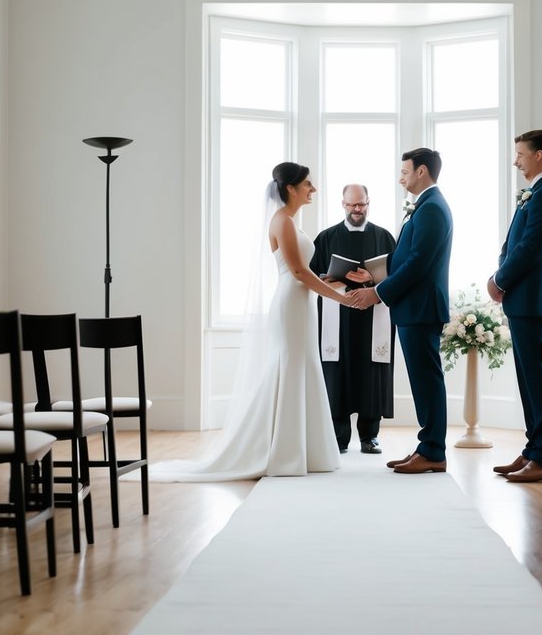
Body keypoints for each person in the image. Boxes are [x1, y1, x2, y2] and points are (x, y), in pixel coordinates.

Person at [151, 162, 346, 482]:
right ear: (291, 189)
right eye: (308, 184)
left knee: (303, 367)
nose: (314, 190)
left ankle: (307, 450)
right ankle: (283, 451)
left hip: (301, 303)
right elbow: (297, 272)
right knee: (290, 368)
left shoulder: (291, 222)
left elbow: (304, 272)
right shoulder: (282, 221)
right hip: (291, 304)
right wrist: (339, 298)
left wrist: (334, 283)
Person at [349, 148, 452, 475]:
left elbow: (418, 264)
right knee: (423, 382)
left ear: (421, 171)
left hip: (421, 308)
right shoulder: (424, 207)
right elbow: (405, 257)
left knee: (428, 381)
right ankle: (427, 446)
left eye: (405, 171)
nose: (400, 177)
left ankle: (434, 450)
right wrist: (374, 274)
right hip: (413, 308)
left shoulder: (432, 208)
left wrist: (377, 293)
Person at [486, 129, 542, 483]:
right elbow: (515, 243)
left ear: (539, 155)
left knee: (540, 380)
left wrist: (499, 280)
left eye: (520, 153)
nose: (516, 160)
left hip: (536, 300)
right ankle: (534, 450)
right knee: (528, 380)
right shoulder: (536, 194)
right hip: (525, 301)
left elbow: (530, 249)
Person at [310, 184, 396, 455]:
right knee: (337, 371)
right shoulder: (325, 238)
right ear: (343, 204)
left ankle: (369, 436)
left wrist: (371, 279)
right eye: (352, 205)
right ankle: (338, 438)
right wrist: (329, 278)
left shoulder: (384, 237)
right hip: (337, 318)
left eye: (362, 204)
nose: (357, 209)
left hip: (373, 317)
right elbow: (311, 275)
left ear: (369, 202)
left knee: (372, 371)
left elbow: (396, 276)